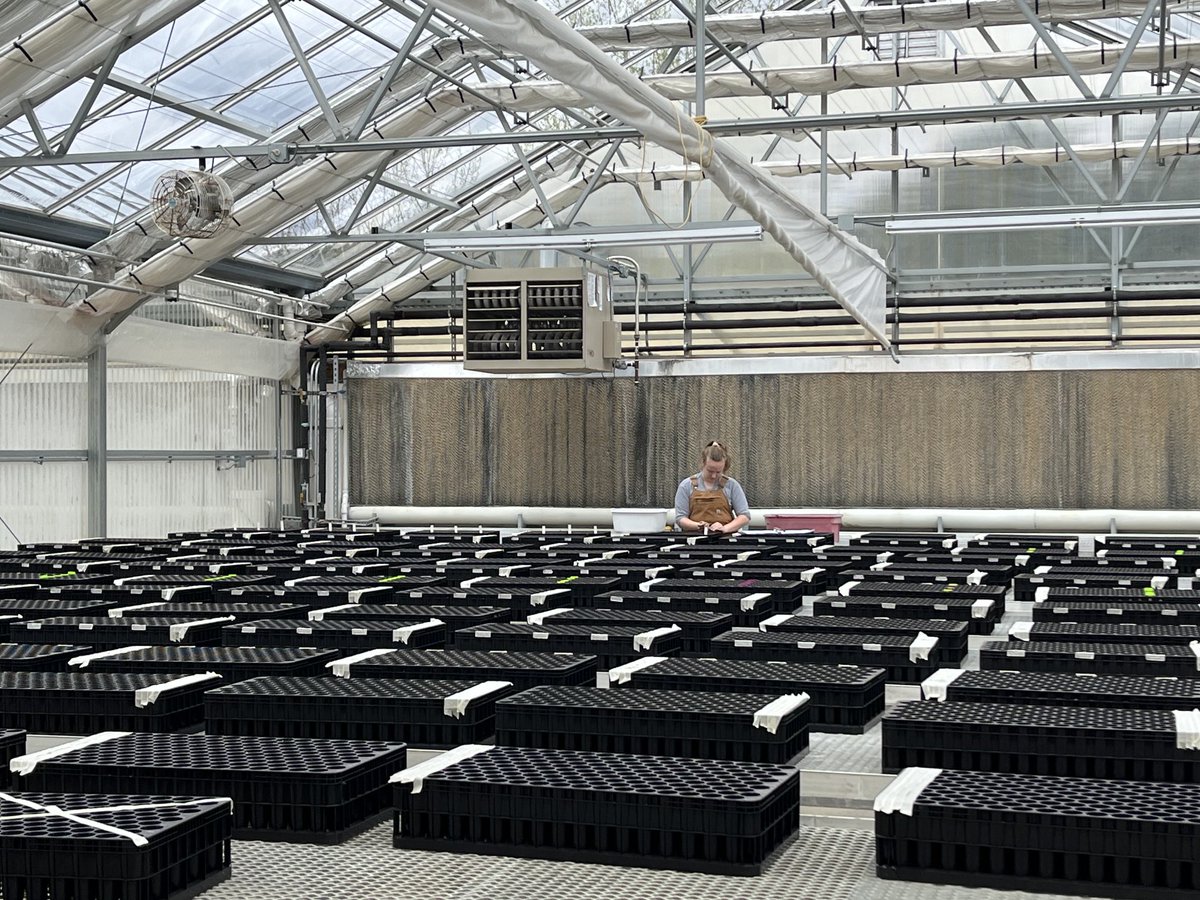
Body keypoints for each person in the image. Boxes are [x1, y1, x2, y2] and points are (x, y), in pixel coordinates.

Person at [674, 440, 751, 534]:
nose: (714, 476)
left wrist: (725, 528)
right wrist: (699, 526)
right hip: (694, 540)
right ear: (702, 464)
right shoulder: (686, 486)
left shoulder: (732, 485)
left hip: (725, 540)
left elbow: (744, 516)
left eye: (718, 472)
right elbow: (681, 518)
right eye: (710, 471)